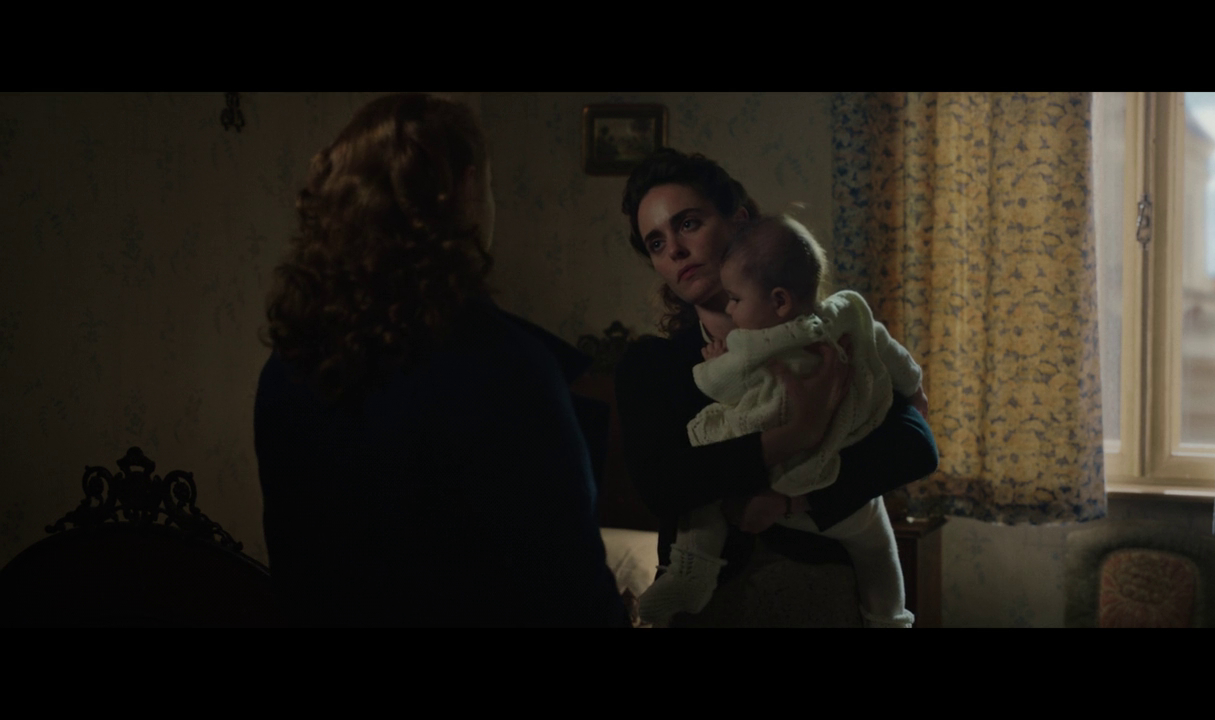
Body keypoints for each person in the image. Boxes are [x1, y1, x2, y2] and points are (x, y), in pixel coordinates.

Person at [254, 93, 628, 627]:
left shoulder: (289, 367)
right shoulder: (503, 367)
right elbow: (574, 594)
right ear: (469, 189)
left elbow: (295, 573)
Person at [614, 148, 939, 627]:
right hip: (709, 610)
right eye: (656, 243)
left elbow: (916, 446)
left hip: (823, 600)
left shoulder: (824, 337)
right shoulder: (654, 365)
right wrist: (797, 433)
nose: (675, 250)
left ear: (739, 220)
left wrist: (792, 501)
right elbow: (664, 486)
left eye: (688, 224)